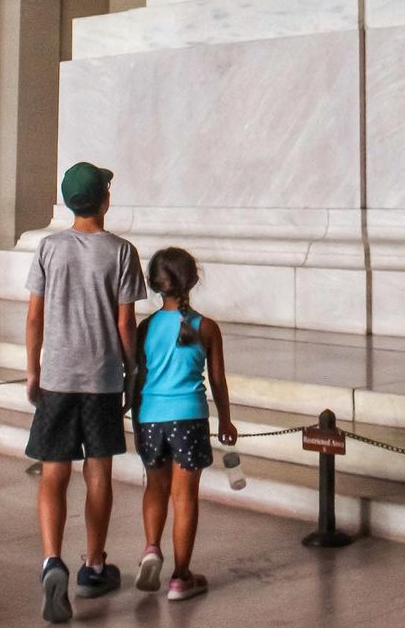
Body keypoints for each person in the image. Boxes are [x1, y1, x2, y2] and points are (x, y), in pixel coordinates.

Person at [24, 161, 147, 624]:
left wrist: (33, 371)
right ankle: (94, 566)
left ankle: (51, 560)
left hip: (57, 377)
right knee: (99, 471)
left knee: (53, 472)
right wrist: (132, 370)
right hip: (100, 379)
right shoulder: (121, 251)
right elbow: (125, 323)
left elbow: (34, 317)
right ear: (105, 201)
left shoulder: (49, 248)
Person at [131, 246, 237, 602]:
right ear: (192, 280)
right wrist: (225, 420)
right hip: (189, 418)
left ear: (154, 284)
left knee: (154, 488)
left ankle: (151, 548)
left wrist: (137, 418)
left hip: (150, 417)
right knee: (184, 496)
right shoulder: (206, 327)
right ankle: (180, 577)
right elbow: (218, 380)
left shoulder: (145, 327)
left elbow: (138, 377)